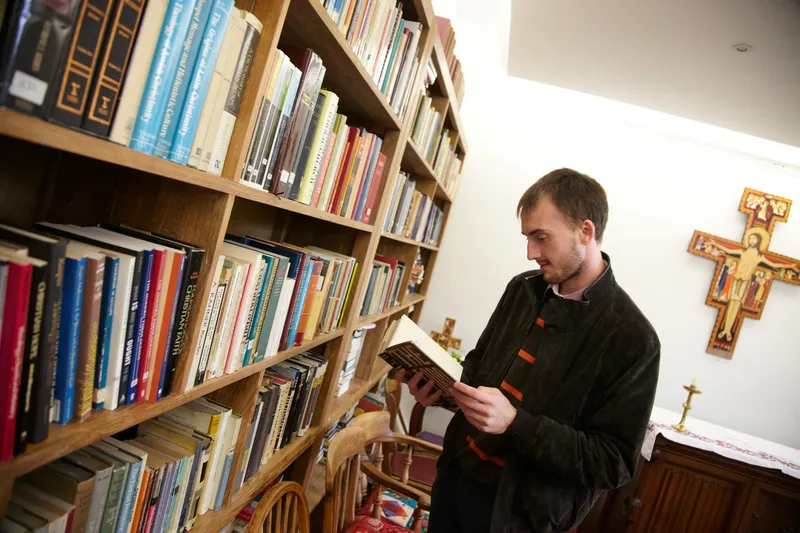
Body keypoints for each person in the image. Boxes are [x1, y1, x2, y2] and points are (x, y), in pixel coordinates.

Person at [399, 168, 661, 533]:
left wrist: (515, 423)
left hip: (520, 518)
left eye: (541, 237)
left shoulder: (634, 339)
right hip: (455, 478)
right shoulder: (521, 289)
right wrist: (442, 391)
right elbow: (479, 368)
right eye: (527, 238)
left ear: (585, 231)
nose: (530, 253)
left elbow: (613, 463)